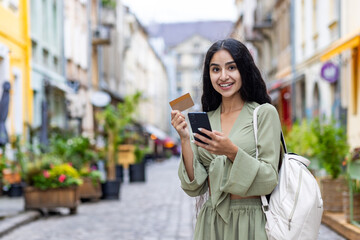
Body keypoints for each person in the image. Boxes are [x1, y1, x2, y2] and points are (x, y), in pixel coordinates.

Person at [171, 38, 282, 240]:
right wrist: (185, 139)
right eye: (215, 69)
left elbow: (268, 179)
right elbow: (195, 187)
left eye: (231, 67)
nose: (223, 76)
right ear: (209, 75)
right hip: (211, 223)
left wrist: (231, 151)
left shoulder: (263, 114)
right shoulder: (207, 119)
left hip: (252, 222)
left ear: (244, 70)